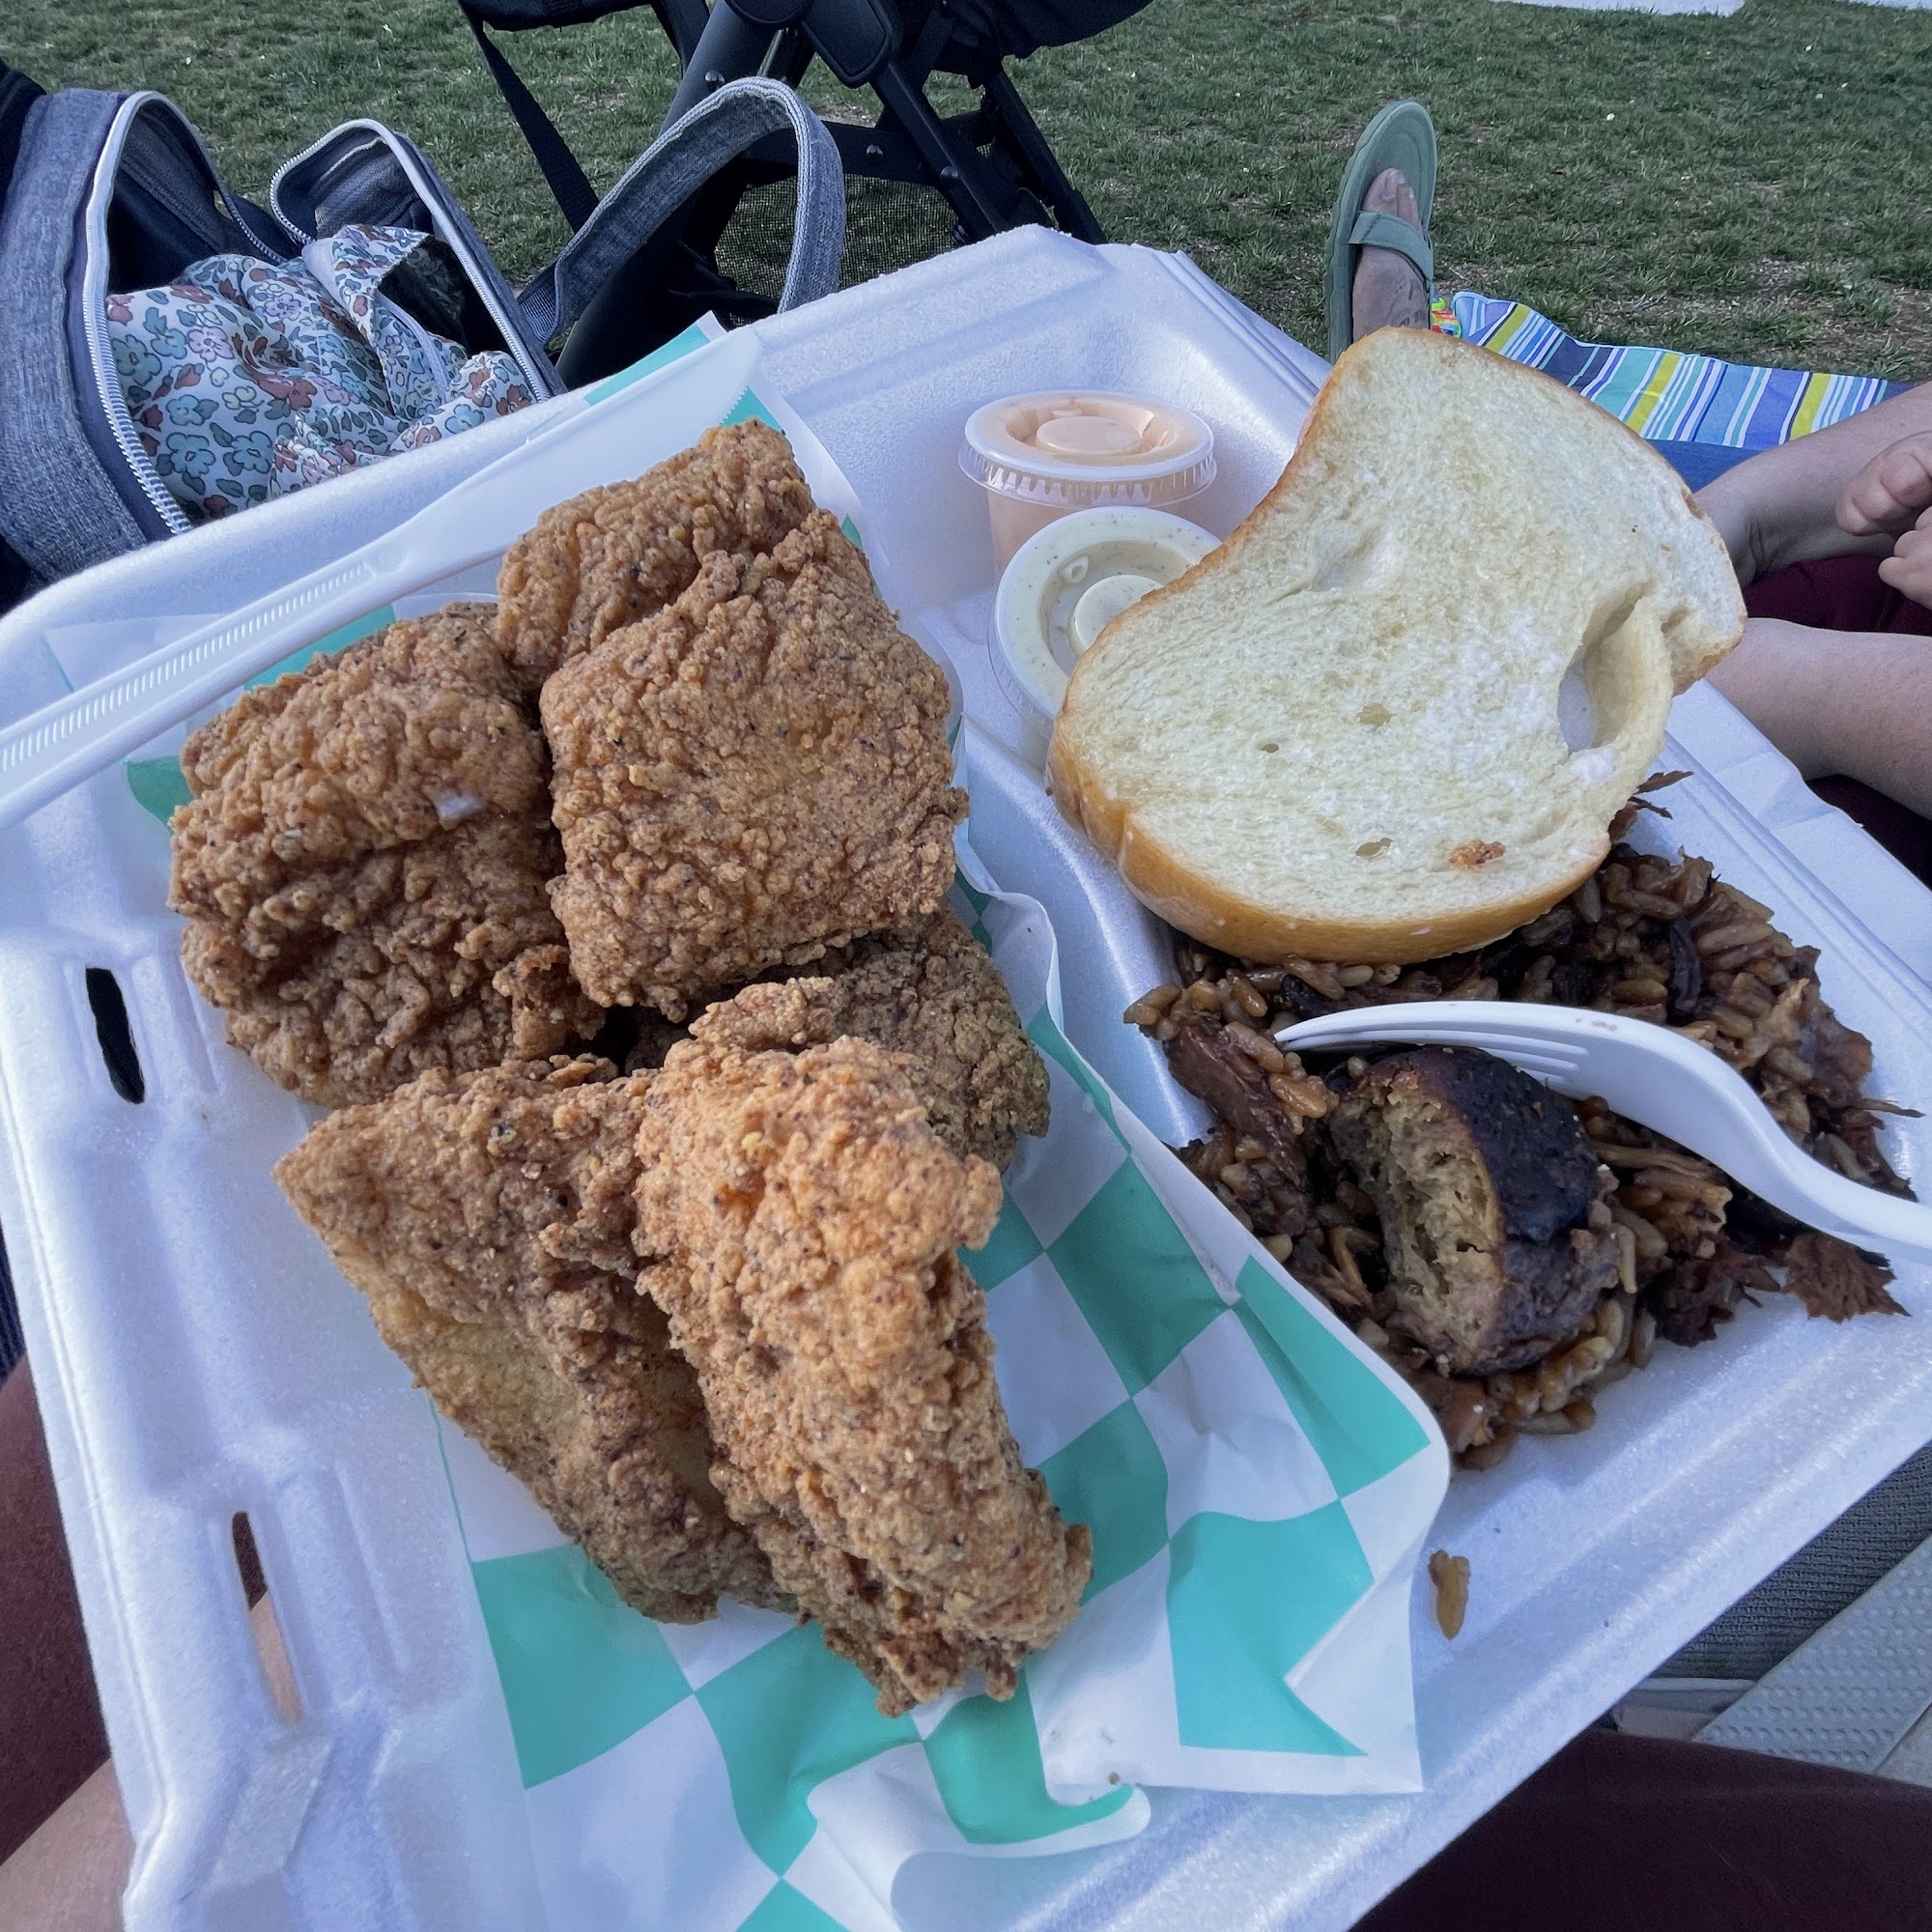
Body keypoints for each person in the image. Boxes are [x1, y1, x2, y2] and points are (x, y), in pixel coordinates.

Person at [1333, 100, 1932, 873]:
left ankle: (1404, 416)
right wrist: (1740, 520)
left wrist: (1815, 697)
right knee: (1625, 521)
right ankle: (1417, 426)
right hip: (1867, 596)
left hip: (1871, 773)